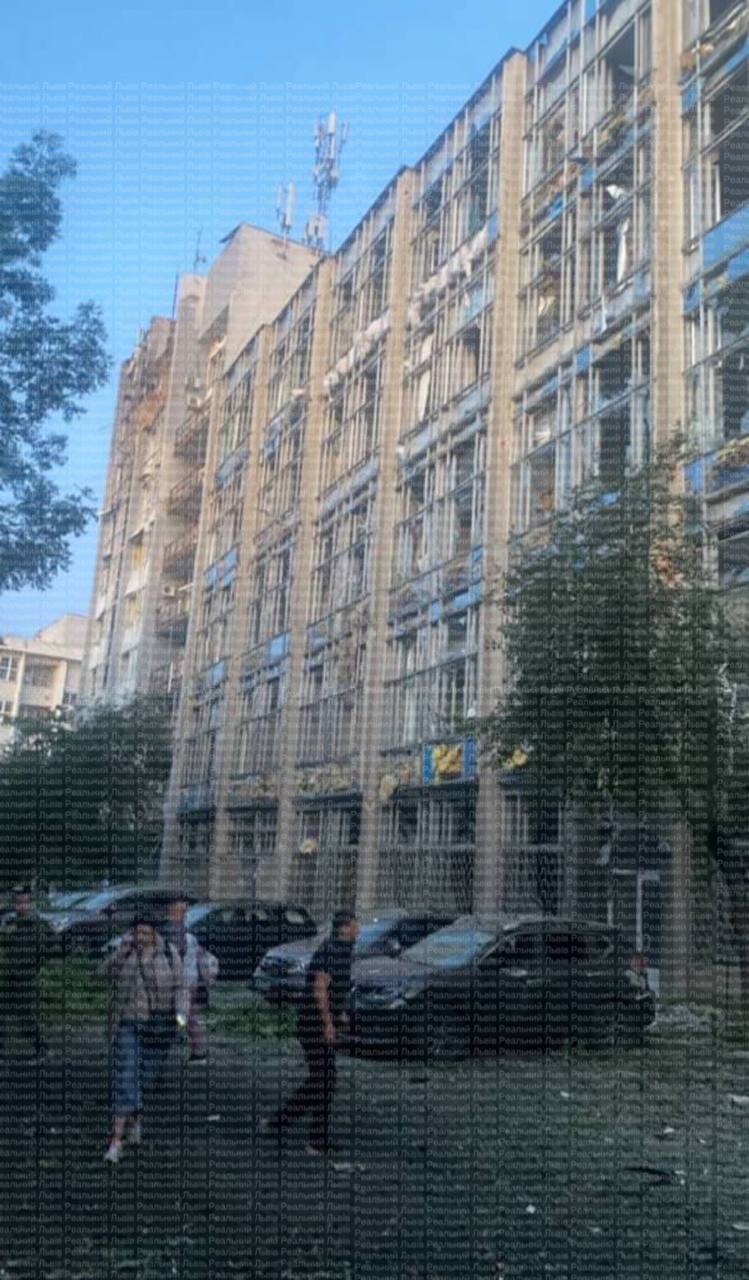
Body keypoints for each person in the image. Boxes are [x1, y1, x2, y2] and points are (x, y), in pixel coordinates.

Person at [259, 908, 359, 1156]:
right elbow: (319, 989)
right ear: (344, 928)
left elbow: (335, 990)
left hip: (315, 1022)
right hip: (312, 1024)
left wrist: (339, 1015)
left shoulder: (341, 951)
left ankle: (280, 1123)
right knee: (325, 1080)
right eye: (355, 925)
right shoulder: (331, 951)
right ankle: (315, 1140)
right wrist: (327, 1023)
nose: (358, 930)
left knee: (321, 1080)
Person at [99, 911, 189, 1164]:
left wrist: (180, 1018)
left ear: (155, 933)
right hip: (127, 1024)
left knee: (143, 1078)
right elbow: (102, 973)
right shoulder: (126, 952)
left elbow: (181, 987)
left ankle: (135, 1117)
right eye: (137, 932)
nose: (141, 937)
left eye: (146, 933)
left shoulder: (168, 954)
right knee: (126, 1078)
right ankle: (116, 1140)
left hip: (158, 1027)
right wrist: (121, 952)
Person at [156, 892, 218, 1064]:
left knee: (184, 1016)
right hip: (192, 981)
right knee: (188, 1015)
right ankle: (194, 1046)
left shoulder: (173, 934)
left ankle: (197, 1050)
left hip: (180, 981)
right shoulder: (190, 937)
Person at [0, 886, 49, 1057]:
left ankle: (42, 1049)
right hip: (12, 974)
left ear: (30, 903)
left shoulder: (36, 924)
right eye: (17, 902)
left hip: (26, 976)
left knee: (24, 1015)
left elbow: (46, 948)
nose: (19, 906)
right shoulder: (12, 922)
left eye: (23, 902)